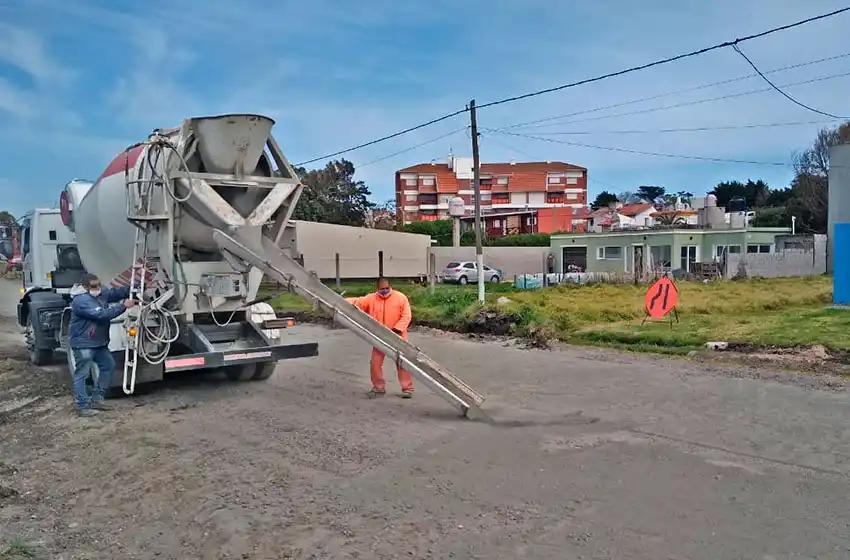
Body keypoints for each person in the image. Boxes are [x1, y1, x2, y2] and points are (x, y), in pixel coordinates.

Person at [68, 273, 136, 417]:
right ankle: (82, 406)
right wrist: (123, 306)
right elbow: (102, 315)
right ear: (85, 287)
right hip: (84, 343)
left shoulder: (99, 293)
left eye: (99, 285)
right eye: (94, 286)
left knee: (108, 366)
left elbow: (114, 293)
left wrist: (136, 287)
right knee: (82, 373)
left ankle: (97, 399)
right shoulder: (81, 301)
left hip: (98, 342)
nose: (98, 288)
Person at [346, 278, 414, 399]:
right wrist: (340, 300)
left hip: (397, 337)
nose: (385, 291)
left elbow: (406, 316)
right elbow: (357, 302)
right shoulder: (371, 298)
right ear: (377, 289)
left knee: (403, 364)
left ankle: (407, 388)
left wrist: (397, 329)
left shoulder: (400, 298)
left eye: (387, 288)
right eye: (382, 289)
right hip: (379, 337)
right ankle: (378, 387)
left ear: (390, 286)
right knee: (375, 363)